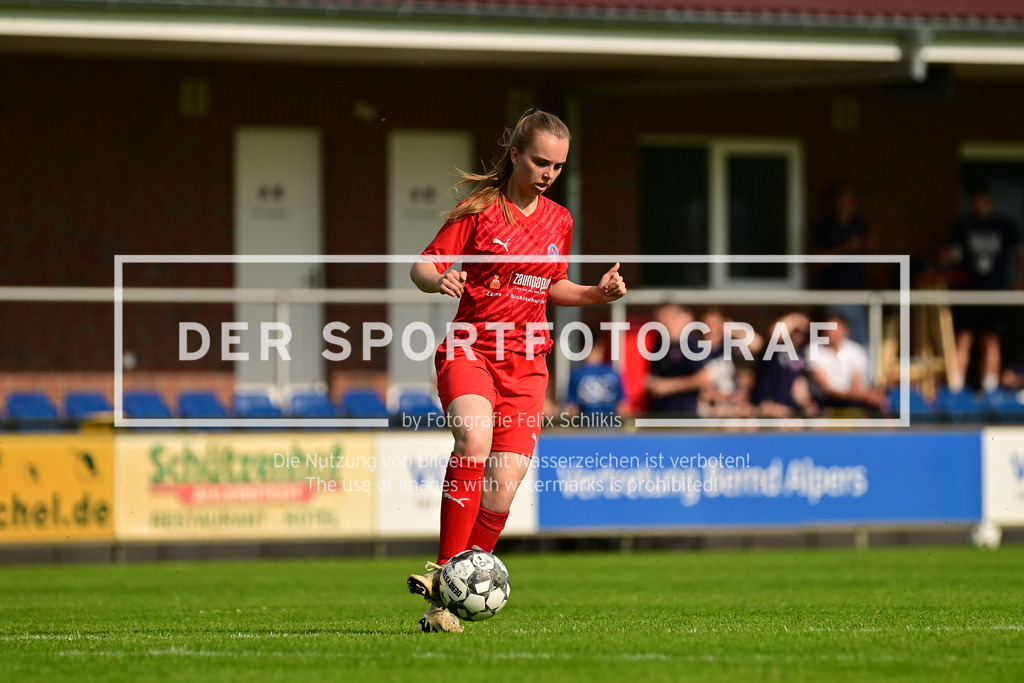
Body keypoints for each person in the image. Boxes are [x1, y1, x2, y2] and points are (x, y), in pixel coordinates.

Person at [406, 108, 627, 633]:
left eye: (557, 166)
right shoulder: (479, 210)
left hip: (527, 363)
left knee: (503, 485)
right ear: (515, 155)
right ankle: (443, 573)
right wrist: (438, 281)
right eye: (540, 161)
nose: (548, 173)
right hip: (471, 350)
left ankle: (453, 596)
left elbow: (553, 286)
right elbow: (422, 265)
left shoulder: (559, 220)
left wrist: (598, 293)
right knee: (474, 442)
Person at [941, 184, 1024, 394]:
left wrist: (1019, 282)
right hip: (968, 293)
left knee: (991, 339)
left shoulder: (1004, 225)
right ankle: (956, 389)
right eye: (975, 201)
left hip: (996, 293)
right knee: (964, 338)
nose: (980, 205)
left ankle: (989, 390)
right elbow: (952, 257)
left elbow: (1020, 254)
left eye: (983, 200)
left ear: (989, 201)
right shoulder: (963, 226)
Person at [812, 182, 876, 346]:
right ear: (835, 201)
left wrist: (865, 244)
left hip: (858, 293)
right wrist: (844, 249)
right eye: (843, 199)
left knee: (860, 343)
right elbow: (816, 260)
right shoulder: (825, 226)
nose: (847, 203)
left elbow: (873, 252)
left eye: (850, 199)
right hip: (834, 294)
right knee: (835, 341)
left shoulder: (859, 225)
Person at [807, 312, 886, 413]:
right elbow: (827, 388)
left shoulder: (856, 350)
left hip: (852, 400)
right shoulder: (814, 350)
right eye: (828, 328)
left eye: (835, 329)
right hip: (825, 402)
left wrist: (868, 395)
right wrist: (862, 395)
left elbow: (858, 382)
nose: (831, 332)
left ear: (845, 330)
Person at [645, 304, 710, 416]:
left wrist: (668, 386)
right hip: (660, 413)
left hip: (684, 414)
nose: (660, 322)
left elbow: (703, 378)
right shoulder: (659, 344)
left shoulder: (690, 343)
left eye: (665, 318)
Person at [750, 312, 818, 418]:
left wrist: (806, 403)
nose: (798, 335)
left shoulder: (802, 354)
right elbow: (774, 332)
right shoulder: (774, 349)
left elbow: (801, 386)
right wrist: (796, 319)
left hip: (792, 410)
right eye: (795, 330)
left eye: (802, 332)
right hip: (769, 407)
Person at [564, 328, 627, 422]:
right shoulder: (613, 372)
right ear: (601, 346)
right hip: (610, 429)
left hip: (587, 429)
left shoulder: (576, 374)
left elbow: (571, 409)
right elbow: (623, 408)